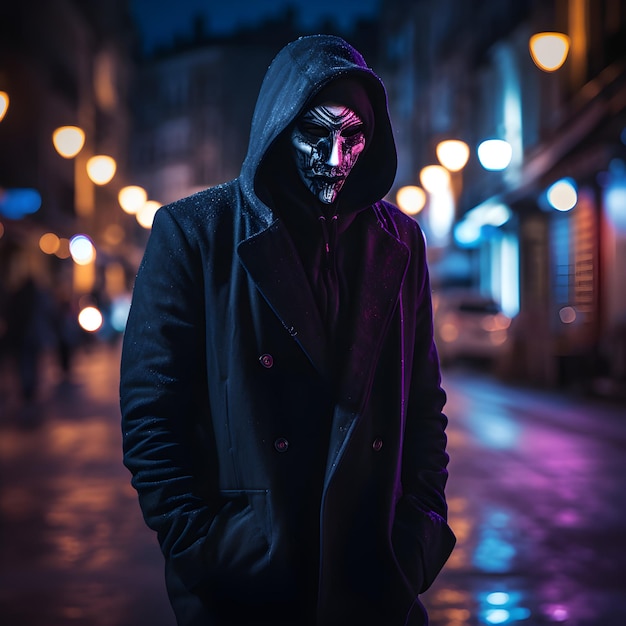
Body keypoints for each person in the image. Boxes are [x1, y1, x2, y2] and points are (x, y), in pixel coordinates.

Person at [120, 34, 455, 626]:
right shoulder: (194, 234)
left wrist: (418, 533)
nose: (334, 156)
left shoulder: (398, 242)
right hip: (246, 586)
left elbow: (424, 402)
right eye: (316, 133)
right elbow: (153, 412)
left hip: (375, 579)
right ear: (279, 128)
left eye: (352, 135)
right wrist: (206, 546)